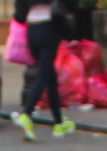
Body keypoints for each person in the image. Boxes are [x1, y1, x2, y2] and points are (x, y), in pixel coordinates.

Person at [11, 0, 79, 142]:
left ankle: (59, 123)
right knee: (42, 75)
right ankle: (26, 114)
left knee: (49, 74)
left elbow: (19, 13)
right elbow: (72, 4)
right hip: (49, 26)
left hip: (31, 28)